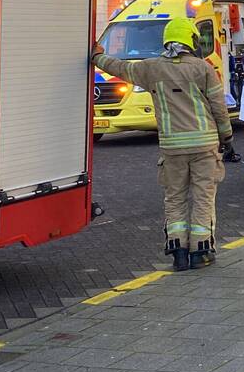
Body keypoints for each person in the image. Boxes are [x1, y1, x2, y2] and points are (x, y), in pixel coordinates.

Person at [92, 18, 232, 271]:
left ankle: (178, 252)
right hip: (204, 146)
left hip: (172, 148)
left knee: (175, 198)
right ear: (191, 41)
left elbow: (120, 68)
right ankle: (201, 253)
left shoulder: (152, 68)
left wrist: (96, 56)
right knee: (202, 198)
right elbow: (219, 109)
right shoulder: (203, 69)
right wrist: (227, 138)